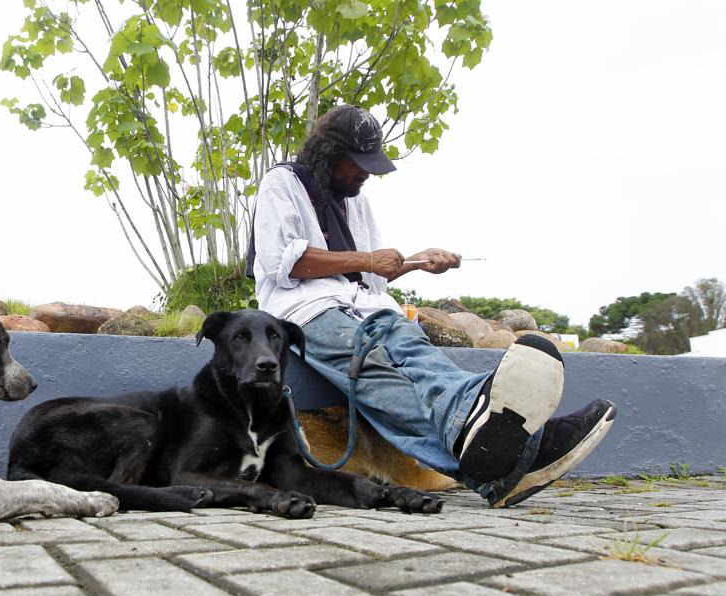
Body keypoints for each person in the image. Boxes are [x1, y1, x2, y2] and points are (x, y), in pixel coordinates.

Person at [247, 104, 616, 507]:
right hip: (307, 311)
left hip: (366, 305)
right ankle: (524, 450)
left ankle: (511, 453)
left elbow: (371, 276)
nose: (365, 173)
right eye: (358, 163)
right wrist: (368, 260)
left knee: (418, 351)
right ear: (329, 154)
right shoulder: (280, 184)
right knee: (375, 372)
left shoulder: (357, 202)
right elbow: (284, 261)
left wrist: (416, 261)